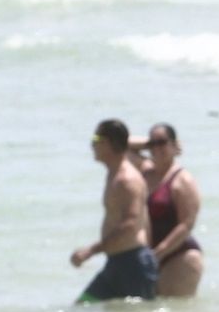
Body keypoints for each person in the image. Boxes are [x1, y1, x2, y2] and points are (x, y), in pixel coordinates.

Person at [71, 119, 158, 302]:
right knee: (83, 307)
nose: (92, 145)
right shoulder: (114, 173)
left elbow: (130, 223)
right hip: (116, 263)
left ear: (108, 143)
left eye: (95, 139)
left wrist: (91, 250)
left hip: (133, 264)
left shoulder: (127, 180)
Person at [140, 122, 205, 297]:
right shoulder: (145, 172)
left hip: (180, 256)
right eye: (152, 144)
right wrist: (146, 144)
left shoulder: (182, 180)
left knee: (172, 310)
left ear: (175, 145)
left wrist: (159, 253)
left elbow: (187, 224)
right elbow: (122, 145)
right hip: (151, 256)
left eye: (161, 142)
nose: (156, 148)